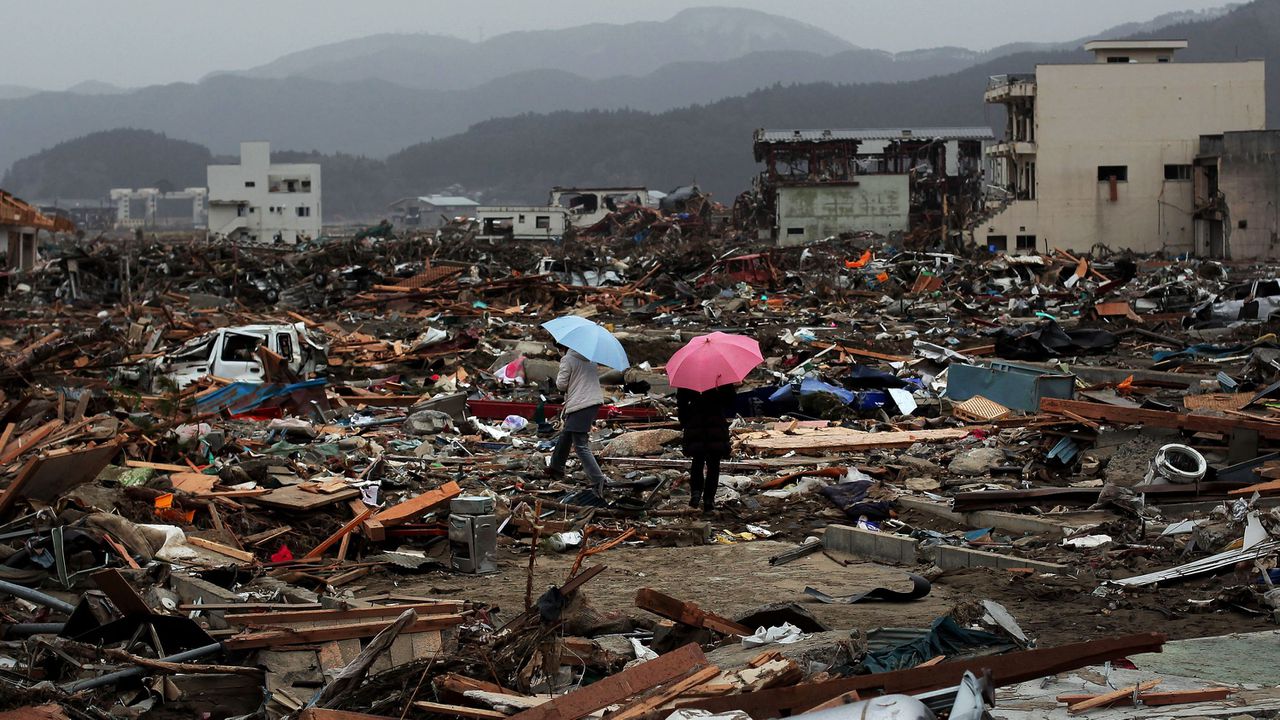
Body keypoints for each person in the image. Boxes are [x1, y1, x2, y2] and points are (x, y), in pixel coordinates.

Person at [546, 348, 613, 494]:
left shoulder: (568, 359)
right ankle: (556, 467)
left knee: (580, 445)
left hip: (580, 404)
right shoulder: (590, 358)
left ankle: (598, 480)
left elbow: (561, 385)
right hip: (592, 402)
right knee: (566, 434)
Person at [676, 384, 735, 513]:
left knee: (697, 461)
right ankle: (709, 500)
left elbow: (681, 403)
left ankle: (696, 494)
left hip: (695, 423)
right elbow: (730, 401)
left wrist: (686, 422)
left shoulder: (689, 377)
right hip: (715, 423)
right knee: (714, 464)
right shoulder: (720, 377)